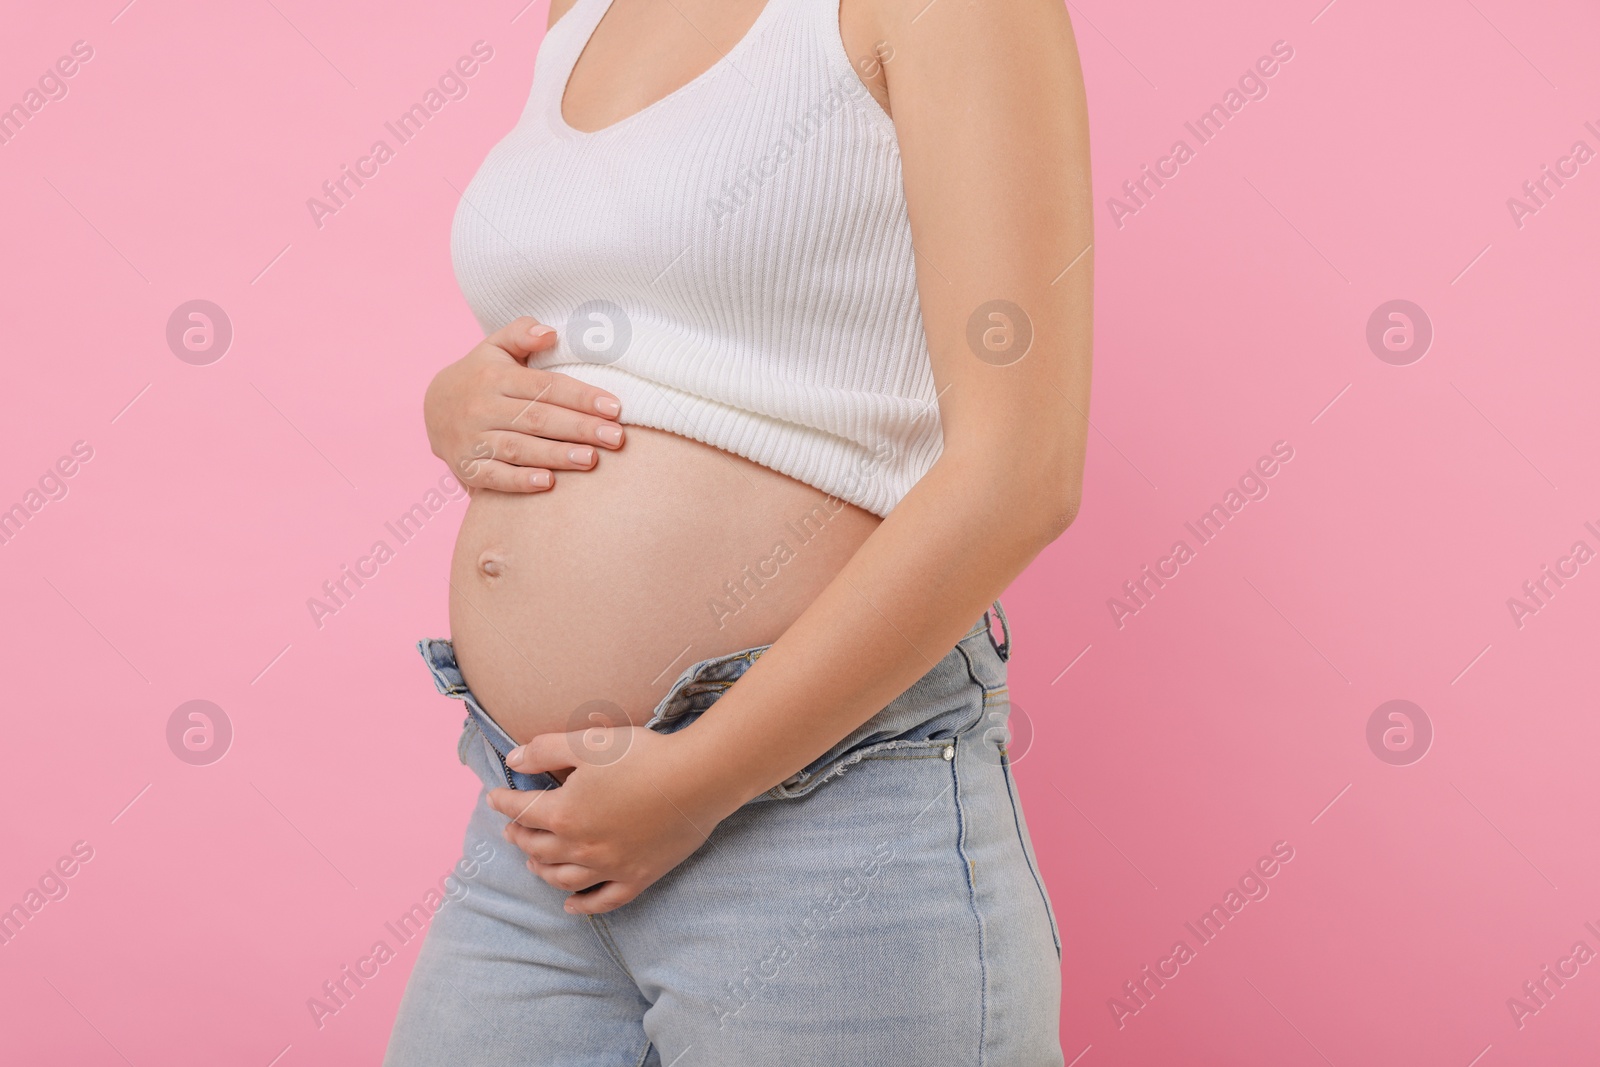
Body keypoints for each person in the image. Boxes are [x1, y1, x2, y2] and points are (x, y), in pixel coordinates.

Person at [385, 0, 1092, 1061]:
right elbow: (642, 319)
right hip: (538, 822)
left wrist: (701, 773)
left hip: (825, 810)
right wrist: (458, 402)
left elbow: (1020, 471)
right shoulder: (581, 11)